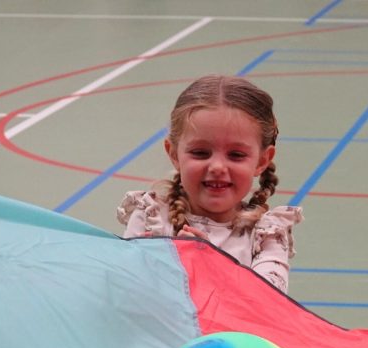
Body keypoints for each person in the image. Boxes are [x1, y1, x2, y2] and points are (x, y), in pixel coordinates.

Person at [117, 75, 303, 293]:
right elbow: (126, 292)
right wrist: (168, 263)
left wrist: (210, 266)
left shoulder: (266, 235)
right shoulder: (151, 218)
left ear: (262, 160)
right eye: (200, 153)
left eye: (235, 154)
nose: (217, 167)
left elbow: (267, 302)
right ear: (174, 154)